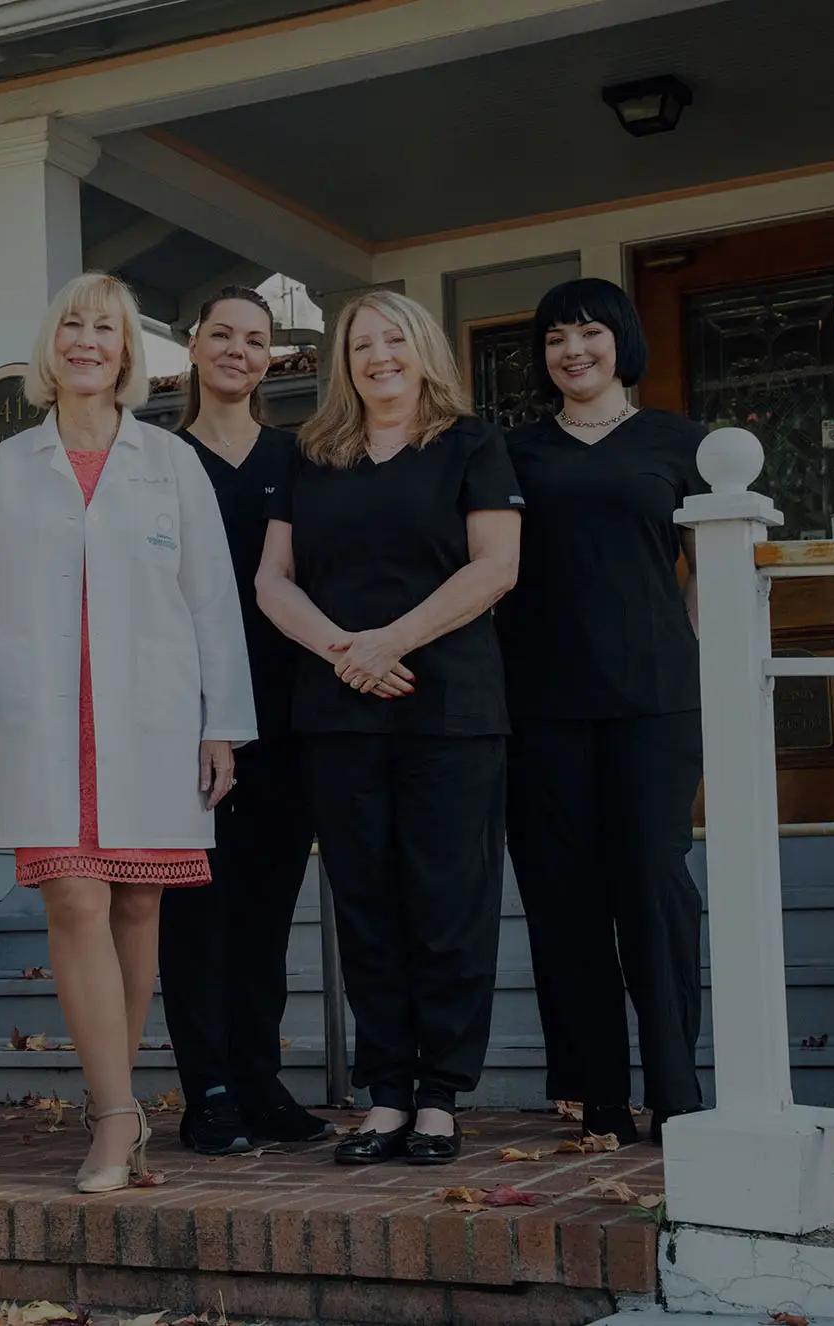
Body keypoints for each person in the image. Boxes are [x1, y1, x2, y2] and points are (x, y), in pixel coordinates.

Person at [0, 272, 256, 1194]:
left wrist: (223, 723)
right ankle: (114, 1117)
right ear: (49, 346)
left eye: (105, 327)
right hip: (46, 719)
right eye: (71, 323)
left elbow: (213, 603)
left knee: (138, 906)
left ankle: (121, 1104)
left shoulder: (171, 463)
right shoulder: (9, 467)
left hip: (153, 719)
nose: (87, 340)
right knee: (73, 898)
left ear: (128, 353)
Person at [256, 290, 521, 1167]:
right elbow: (273, 581)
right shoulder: (315, 454)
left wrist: (391, 642)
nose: (378, 357)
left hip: (450, 712)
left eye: (393, 340)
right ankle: (386, 1095)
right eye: (361, 344)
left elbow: (497, 567)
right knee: (366, 906)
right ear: (346, 360)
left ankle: (440, 1094)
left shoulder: (472, 445)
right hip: (339, 714)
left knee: (447, 902)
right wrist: (345, 653)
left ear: (423, 351)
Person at [495, 277, 708, 1146]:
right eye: (555, 338)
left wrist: (689, 653)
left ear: (621, 339)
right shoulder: (512, 452)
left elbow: (722, 568)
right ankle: (597, 1095)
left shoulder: (682, 444)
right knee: (563, 895)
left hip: (653, 703)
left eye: (588, 331)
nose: (572, 350)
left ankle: (675, 1089)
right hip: (540, 706)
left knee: (654, 885)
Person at [156, 286, 329, 1155]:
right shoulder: (156, 457)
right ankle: (209, 1090)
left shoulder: (297, 459)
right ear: (192, 347)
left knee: (266, 911)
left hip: (283, 714)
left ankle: (260, 1081)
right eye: (221, 334)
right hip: (184, 720)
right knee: (198, 912)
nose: (238, 350)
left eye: (255, 339)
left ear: (271, 357)